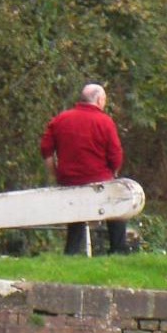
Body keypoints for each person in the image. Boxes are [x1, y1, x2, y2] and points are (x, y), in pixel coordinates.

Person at [40, 83, 128, 255]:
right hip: (99, 181)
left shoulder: (61, 119)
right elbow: (115, 156)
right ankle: (117, 250)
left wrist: (55, 174)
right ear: (99, 100)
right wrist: (113, 173)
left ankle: (71, 251)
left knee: (76, 215)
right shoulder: (105, 122)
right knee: (119, 202)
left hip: (69, 181)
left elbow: (46, 151)